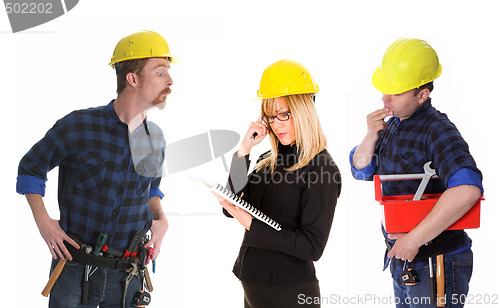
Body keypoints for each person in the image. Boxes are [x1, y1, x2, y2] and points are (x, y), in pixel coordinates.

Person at [16, 30, 176, 307]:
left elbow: (150, 188)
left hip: (128, 274)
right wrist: (44, 223)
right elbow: (31, 168)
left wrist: (161, 221)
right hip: (73, 269)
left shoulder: (156, 138)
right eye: (161, 73)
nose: (171, 81)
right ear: (133, 78)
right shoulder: (78, 126)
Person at [349, 38, 483, 308]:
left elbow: (468, 189)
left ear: (422, 95)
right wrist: (371, 134)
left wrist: (415, 239)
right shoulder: (393, 126)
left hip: (436, 259)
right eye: (385, 91)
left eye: (395, 93)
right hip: (404, 259)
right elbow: (360, 170)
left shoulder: (438, 130)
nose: (385, 100)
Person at [213, 59, 341, 308]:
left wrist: (251, 224)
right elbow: (230, 208)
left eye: (284, 114)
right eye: (270, 116)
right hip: (254, 285)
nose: (276, 124)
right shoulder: (266, 160)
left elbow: (312, 246)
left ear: (304, 109)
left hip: (290, 291)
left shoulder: (322, 168)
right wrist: (244, 151)